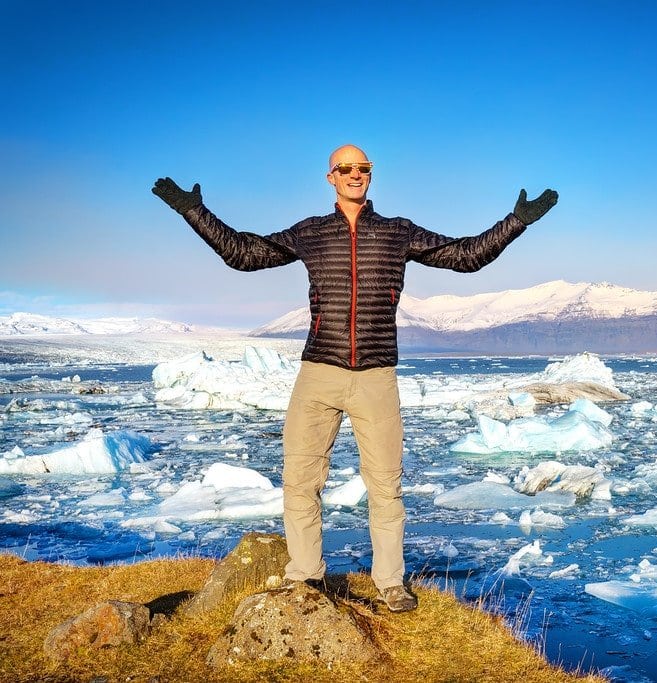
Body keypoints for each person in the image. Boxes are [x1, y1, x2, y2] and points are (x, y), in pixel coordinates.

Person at [152, 144, 557, 612]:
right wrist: (194, 212)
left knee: (385, 485)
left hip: (375, 375)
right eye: (345, 168)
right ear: (331, 177)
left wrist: (517, 221)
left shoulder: (397, 232)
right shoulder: (311, 233)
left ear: (371, 175)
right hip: (318, 372)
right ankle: (305, 576)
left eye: (363, 168)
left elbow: (465, 256)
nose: (354, 175)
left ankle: (390, 582)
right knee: (300, 481)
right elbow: (244, 254)